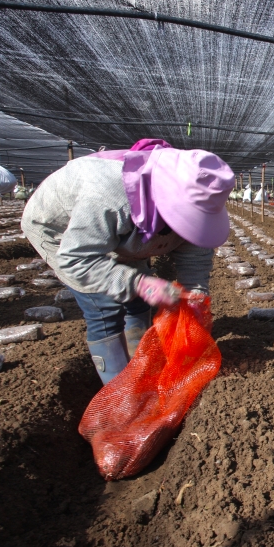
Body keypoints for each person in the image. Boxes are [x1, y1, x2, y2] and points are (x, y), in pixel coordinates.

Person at [22, 139, 234, 386]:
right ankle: (120, 390)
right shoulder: (109, 196)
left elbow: (195, 252)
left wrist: (196, 298)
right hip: (67, 235)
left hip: (123, 233)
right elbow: (77, 259)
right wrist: (141, 283)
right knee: (104, 307)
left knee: (136, 298)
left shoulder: (200, 197)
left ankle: (142, 366)